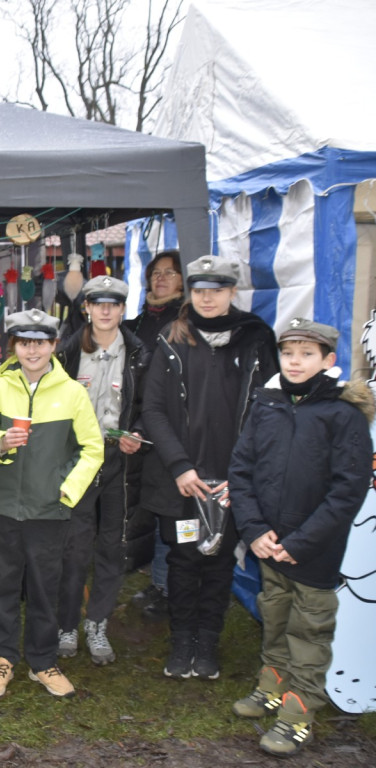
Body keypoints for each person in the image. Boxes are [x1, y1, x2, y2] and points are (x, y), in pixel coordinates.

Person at [228, 318, 374, 757]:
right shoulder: (266, 405)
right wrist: (254, 532)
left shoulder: (343, 416)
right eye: (289, 353)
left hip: (313, 551)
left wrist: (302, 542)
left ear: (328, 361)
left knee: (309, 632)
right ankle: (271, 687)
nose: (295, 362)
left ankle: (297, 714)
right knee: (275, 620)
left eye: (307, 354)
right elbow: (242, 470)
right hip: (268, 546)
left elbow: (348, 490)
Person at [140, 255, 278, 681]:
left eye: (216, 290)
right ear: (191, 292)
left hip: (234, 479)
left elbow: (268, 410)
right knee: (183, 560)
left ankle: (208, 641)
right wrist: (180, 468)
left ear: (232, 292)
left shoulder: (255, 338)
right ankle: (182, 641)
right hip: (185, 480)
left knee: (219, 563)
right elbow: (154, 409)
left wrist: (244, 475)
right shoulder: (172, 338)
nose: (207, 298)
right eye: (200, 290)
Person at [0, 308, 104, 699]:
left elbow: (92, 449)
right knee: (2, 586)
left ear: (53, 346)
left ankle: (43, 661)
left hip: (50, 511)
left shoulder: (73, 393)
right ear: (14, 345)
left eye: (40, 343)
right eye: (25, 342)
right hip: (6, 508)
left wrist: (67, 491)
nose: (32, 350)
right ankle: (2, 659)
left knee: (46, 588)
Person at [55, 276, 151, 665]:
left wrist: (139, 434)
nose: (106, 311)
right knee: (74, 547)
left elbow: (150, 403)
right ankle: (66, 626)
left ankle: (98, 624)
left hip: (120, 460)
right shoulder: (67, 349)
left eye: (114, 304)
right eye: (99, 303)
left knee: (112, 546)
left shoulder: (141, 352)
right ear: (88, 308)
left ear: (122, 310)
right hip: (79, 458)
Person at [124, 250, 186, 620]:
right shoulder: (139, 321)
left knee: (169, 513)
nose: (161, 279)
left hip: (167, 429)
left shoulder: (184, 323)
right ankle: (157, 580)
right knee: (148, 510)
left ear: (182, 281)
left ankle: (168, 587)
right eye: (156, 273)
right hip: (137, 426)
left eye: (170, 273)